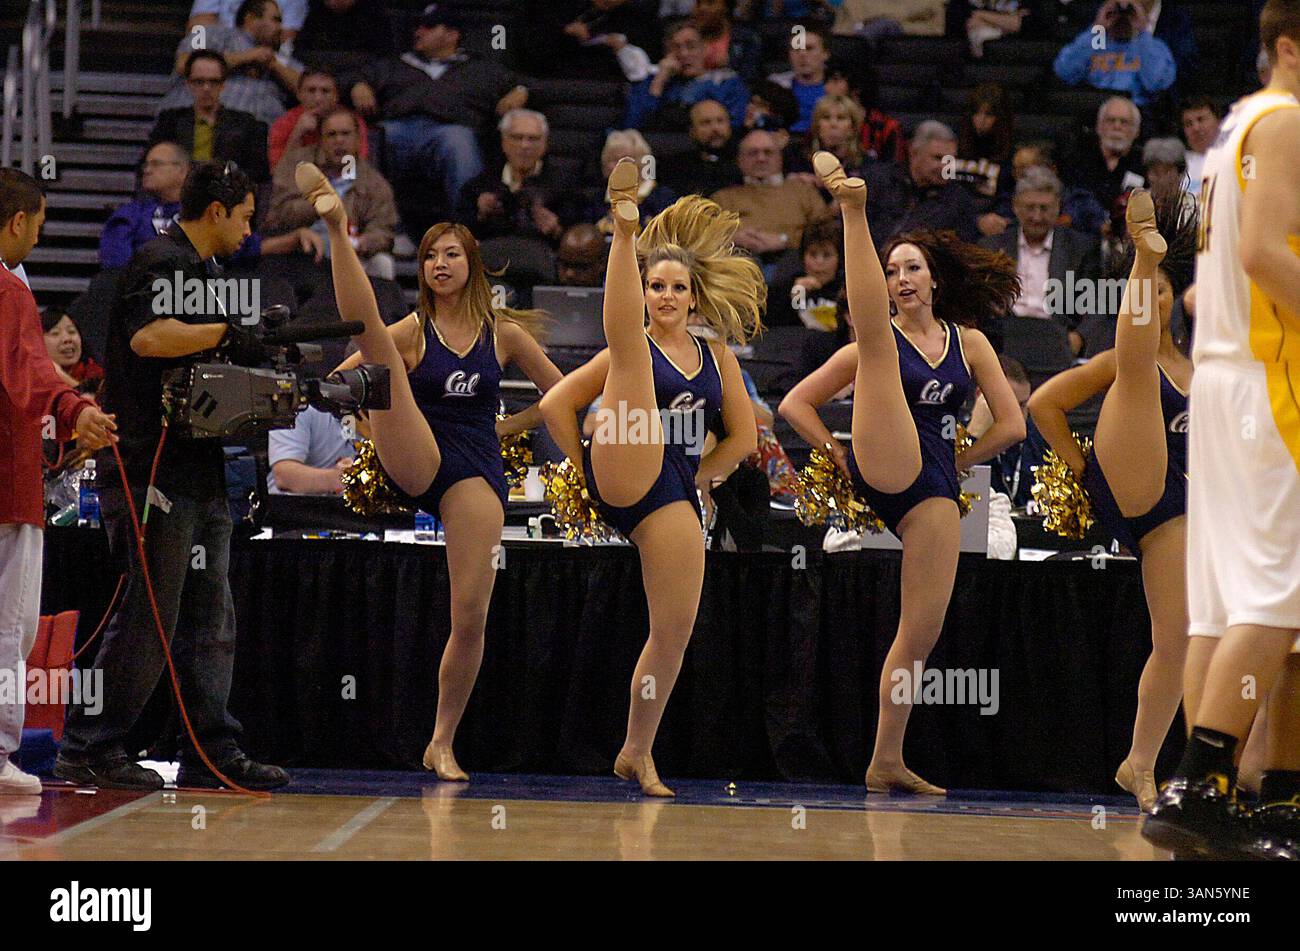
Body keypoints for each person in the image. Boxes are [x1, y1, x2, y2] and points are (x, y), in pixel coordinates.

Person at [294, 161, 564, 782]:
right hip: (414, 450)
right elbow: (342, 379)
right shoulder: (416, 328)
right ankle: (337, 226)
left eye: (451, 254)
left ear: (472, 263)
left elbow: (563, 394)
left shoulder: (506, 334)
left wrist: (510, 427)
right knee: (382, 352)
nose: (440, 264)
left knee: (470, 610)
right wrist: (367, 431)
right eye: (431, 256)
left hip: (474, 466)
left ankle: (441, 742)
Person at [779, 153, 1025, 793]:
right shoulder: (872, 341)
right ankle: (852, 208)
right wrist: (834, 454)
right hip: (880, 456)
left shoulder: (970, 342)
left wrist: (963, 459)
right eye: (891, 271)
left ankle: (886, 757)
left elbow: (1012, 424)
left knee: (920, 632)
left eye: (911, 268)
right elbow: (794, 404)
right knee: (878, 351)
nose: (902, 278)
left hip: (934, 485)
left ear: (934, 279)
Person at [55, 162, 288, 791]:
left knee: (211, 616)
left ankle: (211, 752)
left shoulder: (203, 270)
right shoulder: (165, 260)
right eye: (243, 216)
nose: (248, 230)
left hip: (196, 466)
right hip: (146, 466)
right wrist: (228, 331)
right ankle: (88, 746)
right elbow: (150, 340)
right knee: (148, 615)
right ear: (216, 210)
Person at [539, 169, 763, 795]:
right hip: (619, 458)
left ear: (694, 297)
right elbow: (558, 405)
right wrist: (583, 471)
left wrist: (702, 478)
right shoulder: (628, 346)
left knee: (672, 631)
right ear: (642, 290)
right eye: (655, 285)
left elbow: (742, 439)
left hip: (670, 485)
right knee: (630, 355)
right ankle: (624, 227)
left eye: (676, 288)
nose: (665, 296)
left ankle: (636, 750)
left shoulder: (715, 353)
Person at [1144, 0, 1300, 860]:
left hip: (1225, 376)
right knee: (1278, 594)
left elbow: (1206, 285)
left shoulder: (1236, 126)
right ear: (1287, 47)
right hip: (1269, 381)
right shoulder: (1285, 123)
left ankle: (1255, 795)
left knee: (1230, 603)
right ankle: (1206, 781)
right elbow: (1261, 258)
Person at [1029, 191, 1197, 811]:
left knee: (1177, 636)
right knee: (1135, 372)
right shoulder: (1116, 360)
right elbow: (1042, 404)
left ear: (1176, 300)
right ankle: (1139, 252)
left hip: (1174, 507)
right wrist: (1081, 473)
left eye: (1157, 288)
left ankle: (1140, 763)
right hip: (1121, 470)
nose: (1154, 301)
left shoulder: (1205, 370)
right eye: (1145, 286)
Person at [0, 169, 117, 795]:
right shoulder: (9, 288)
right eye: (40, 227)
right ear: (18, 222)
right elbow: (33, 372)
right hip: (8, 482)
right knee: (10, 623)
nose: (38, 240)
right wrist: (78, 411)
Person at [345, 7, 528, 215]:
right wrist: (359, 85)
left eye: (429, 27)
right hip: (396, 130)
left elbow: (527, 85)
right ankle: (370, 226)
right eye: (418, 26)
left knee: (457, 141)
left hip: (450, 131)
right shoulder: (396, 63)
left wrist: (520, 91)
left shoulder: (480, 68)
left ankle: (467, 227)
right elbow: (350, 78)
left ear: (452, 35)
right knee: (367, 138)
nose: (419, 32)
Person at [979, 166, 1101, 357]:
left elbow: (1097, 304)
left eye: (1044, 208)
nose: (1037, 216)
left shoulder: (1080, 249)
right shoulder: (991, 248)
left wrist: (1079, 336)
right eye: (1030, 208)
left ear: (1058, 207)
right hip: (1004, 341)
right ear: (1015, 206)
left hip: (1057, 339)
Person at [264, 105, 397, 278]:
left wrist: (362, 242)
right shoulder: (297, 165)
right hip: (300, 248)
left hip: (352, 252)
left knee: (382, 263)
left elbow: (383, 230)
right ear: (321, 140)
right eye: (332, 134)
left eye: (345, 134)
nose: (339, 140)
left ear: (358, 140)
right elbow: (278, 214)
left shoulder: (373, 182)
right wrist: (320, 205)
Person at [160, 0, 304, 126]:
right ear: (251, 19)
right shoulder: (212, 34)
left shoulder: (278, 57)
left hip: (259, 139)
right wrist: (246, 57)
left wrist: (273, 65)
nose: (280, 28)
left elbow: (307, 86)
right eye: (276, 20)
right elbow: (183, 64)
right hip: (198, 126)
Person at [149, 51, 271, 184]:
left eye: (214, 82)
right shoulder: (169, 121)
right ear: (188, 84)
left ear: (223, 84)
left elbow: (257, 173)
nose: (206, 88)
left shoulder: (246, 124)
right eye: (199, 82)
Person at [457, 110, 577, 244]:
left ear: (545, 143)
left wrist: (557, 230)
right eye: (517, 137)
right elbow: (460, 231)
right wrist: (480, 215)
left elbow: (578, 232)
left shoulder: (565, 185)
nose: (525, 145)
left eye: (533, 139)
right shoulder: (479, 185)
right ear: (503, 141)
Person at [711, 129, 828, 264]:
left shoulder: (804, 192)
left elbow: (824, 233)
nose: (761, 158)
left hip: (796, 262)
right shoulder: (723, 198)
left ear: (780, 158)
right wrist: (732, 239)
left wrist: (784, 240)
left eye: (768, 152)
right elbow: (706, 239)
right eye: (753, 153)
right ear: (740, 160)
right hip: (739, 264)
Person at [864, 121, 981, 245]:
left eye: (950, 160)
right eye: (937, 158)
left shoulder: (958, 201)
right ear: (914, 153)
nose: (946, 167)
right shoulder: (878, 181)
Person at [623, 21, 749, 131]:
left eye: (691, 46)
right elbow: (632, 126)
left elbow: (734, 125)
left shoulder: (727, 82)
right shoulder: (652, 83)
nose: (683, 53)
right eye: (676, 48)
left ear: (704, 49)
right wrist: (659, 82)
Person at [1053, 0, 1176, 108]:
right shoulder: (1098, 42)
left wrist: (1142, 30)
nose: (1122, 18)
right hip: (1094, 109)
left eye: (1129, 14)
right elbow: (1064, 72)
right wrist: (1098, 26)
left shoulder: (1151, 46)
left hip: (1135, 111)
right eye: (1115, 13)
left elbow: (1156, 83)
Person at [100, 143, 191, 269]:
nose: (147, 170)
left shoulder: (207, 215)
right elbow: (115, 264)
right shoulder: (128, 216)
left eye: (156, 164)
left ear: (182, 170)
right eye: (146, 165)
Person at [267, 69, 370, 171]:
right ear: (299, 94)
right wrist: (297, 135)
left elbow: (356, 170)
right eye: (311, 91)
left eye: (325, 91)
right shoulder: (283, 123)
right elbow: (278, 174)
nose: (318, 99)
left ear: (336, 96)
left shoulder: (352, 122)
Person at [580, 130, 678, 234]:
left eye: (627, 159)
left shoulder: (663, 197)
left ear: (641, 164)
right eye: (614, 160)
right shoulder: (597, 200)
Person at [765, 217, 844, 329]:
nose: (819, 262)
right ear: (803, 257)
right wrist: (797, 297)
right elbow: (782, 331)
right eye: (813, 254)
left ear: (839, 259)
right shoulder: (788, 288)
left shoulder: (846, 292)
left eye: (827, 255)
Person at [656, 99, 742, 198]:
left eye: (720, 121)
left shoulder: (745, 161)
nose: (715, 128)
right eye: (706, 123)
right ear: (692, 131)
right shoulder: (675, 168)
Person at [267, 405, 356, 494]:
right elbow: (284, 476)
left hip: (345, 503)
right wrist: (346, 479)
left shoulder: (360, 413)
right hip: (291, 503)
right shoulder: (300, 408)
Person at [767, 22, 830, 134]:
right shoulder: (773, 87)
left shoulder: (839, 90)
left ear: (825, 53)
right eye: (796, 49)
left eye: (809, 48)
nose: (802, 54)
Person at [41, 308, 105, 394]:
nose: (67, 339)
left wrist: (63, 377)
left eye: (71, 332)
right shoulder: (30, 381)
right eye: (55, 333)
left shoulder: (97, 375)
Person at [1178, 95, 1222, 197]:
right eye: (1189, 124)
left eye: (1201, 119)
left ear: (1218, 122)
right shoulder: (1177, 165)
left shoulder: (1234, 157)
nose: (1196, 128)